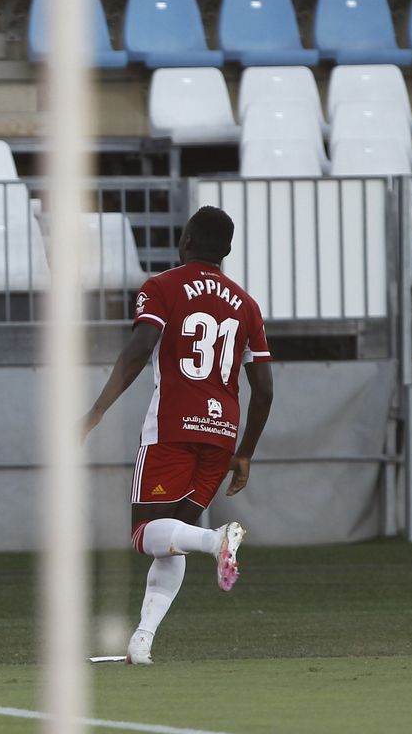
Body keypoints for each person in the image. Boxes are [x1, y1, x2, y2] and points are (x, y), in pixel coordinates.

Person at [83, 206, 275, 666]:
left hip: (171, 427)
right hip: (221, 433)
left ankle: (219, 540)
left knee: (144, 533)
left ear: (186, 240)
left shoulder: (162, 287)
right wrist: (245, 453)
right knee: (176, 537)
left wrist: (95, 412)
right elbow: (264, 388)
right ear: (226, 251)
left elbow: (138, 349)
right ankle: (141, 642)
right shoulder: (246, 304)